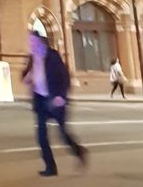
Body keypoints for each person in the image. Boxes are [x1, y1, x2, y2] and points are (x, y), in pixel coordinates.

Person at [23, 30, 87, 178]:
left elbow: (64, 77)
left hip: (54, 100)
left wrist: (61, 96)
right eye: (30, 42)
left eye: (33, 42)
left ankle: (79, 152)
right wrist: (27, 78)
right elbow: (26, 75)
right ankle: (50, 167)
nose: (31, 45)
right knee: (41, 136)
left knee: (63, 135)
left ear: (40, 42)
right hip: (40, 100)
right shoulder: (32, 58)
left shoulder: (52, 56)